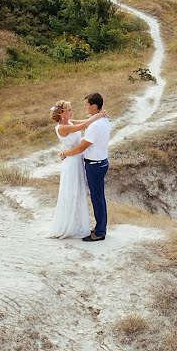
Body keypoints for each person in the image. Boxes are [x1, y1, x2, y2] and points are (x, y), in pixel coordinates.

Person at [46, 100, 107, 239]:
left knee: (78, 192)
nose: (71, 111)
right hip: (72, 162)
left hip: (77, 160)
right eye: (68, 109)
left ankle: (77, 223)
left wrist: (99, 115)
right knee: (72, 192)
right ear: (62, 114)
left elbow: (85, 121)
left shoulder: (69, 122)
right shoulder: (62, 127)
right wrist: (99, 115)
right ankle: (70, 225)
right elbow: (85, 125)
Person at [60, 93, 111, 242]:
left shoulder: (95, 125)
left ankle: (100, 232)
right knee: (99, 197)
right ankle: (100, 227)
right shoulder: (103, 119)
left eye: (86, 105)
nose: (84, 107)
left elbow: (81, 147)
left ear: (94, 106)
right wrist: (65, 120)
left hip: (95, 165)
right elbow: (82, 123)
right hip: (100, 162)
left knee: (97, 198)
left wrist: (65, 153)